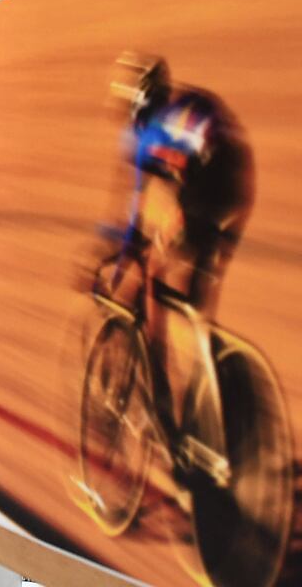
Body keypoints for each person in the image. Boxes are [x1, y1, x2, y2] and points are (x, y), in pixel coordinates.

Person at [108, 53, 254, 436]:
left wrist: (120, 268)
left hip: (208, 187)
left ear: (137, 105)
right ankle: (208, 367)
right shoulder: (185, 106)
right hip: (236, 184)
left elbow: (133, 221)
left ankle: (166, 406)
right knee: (197, 298)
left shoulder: (146, 137)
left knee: (154, 273)